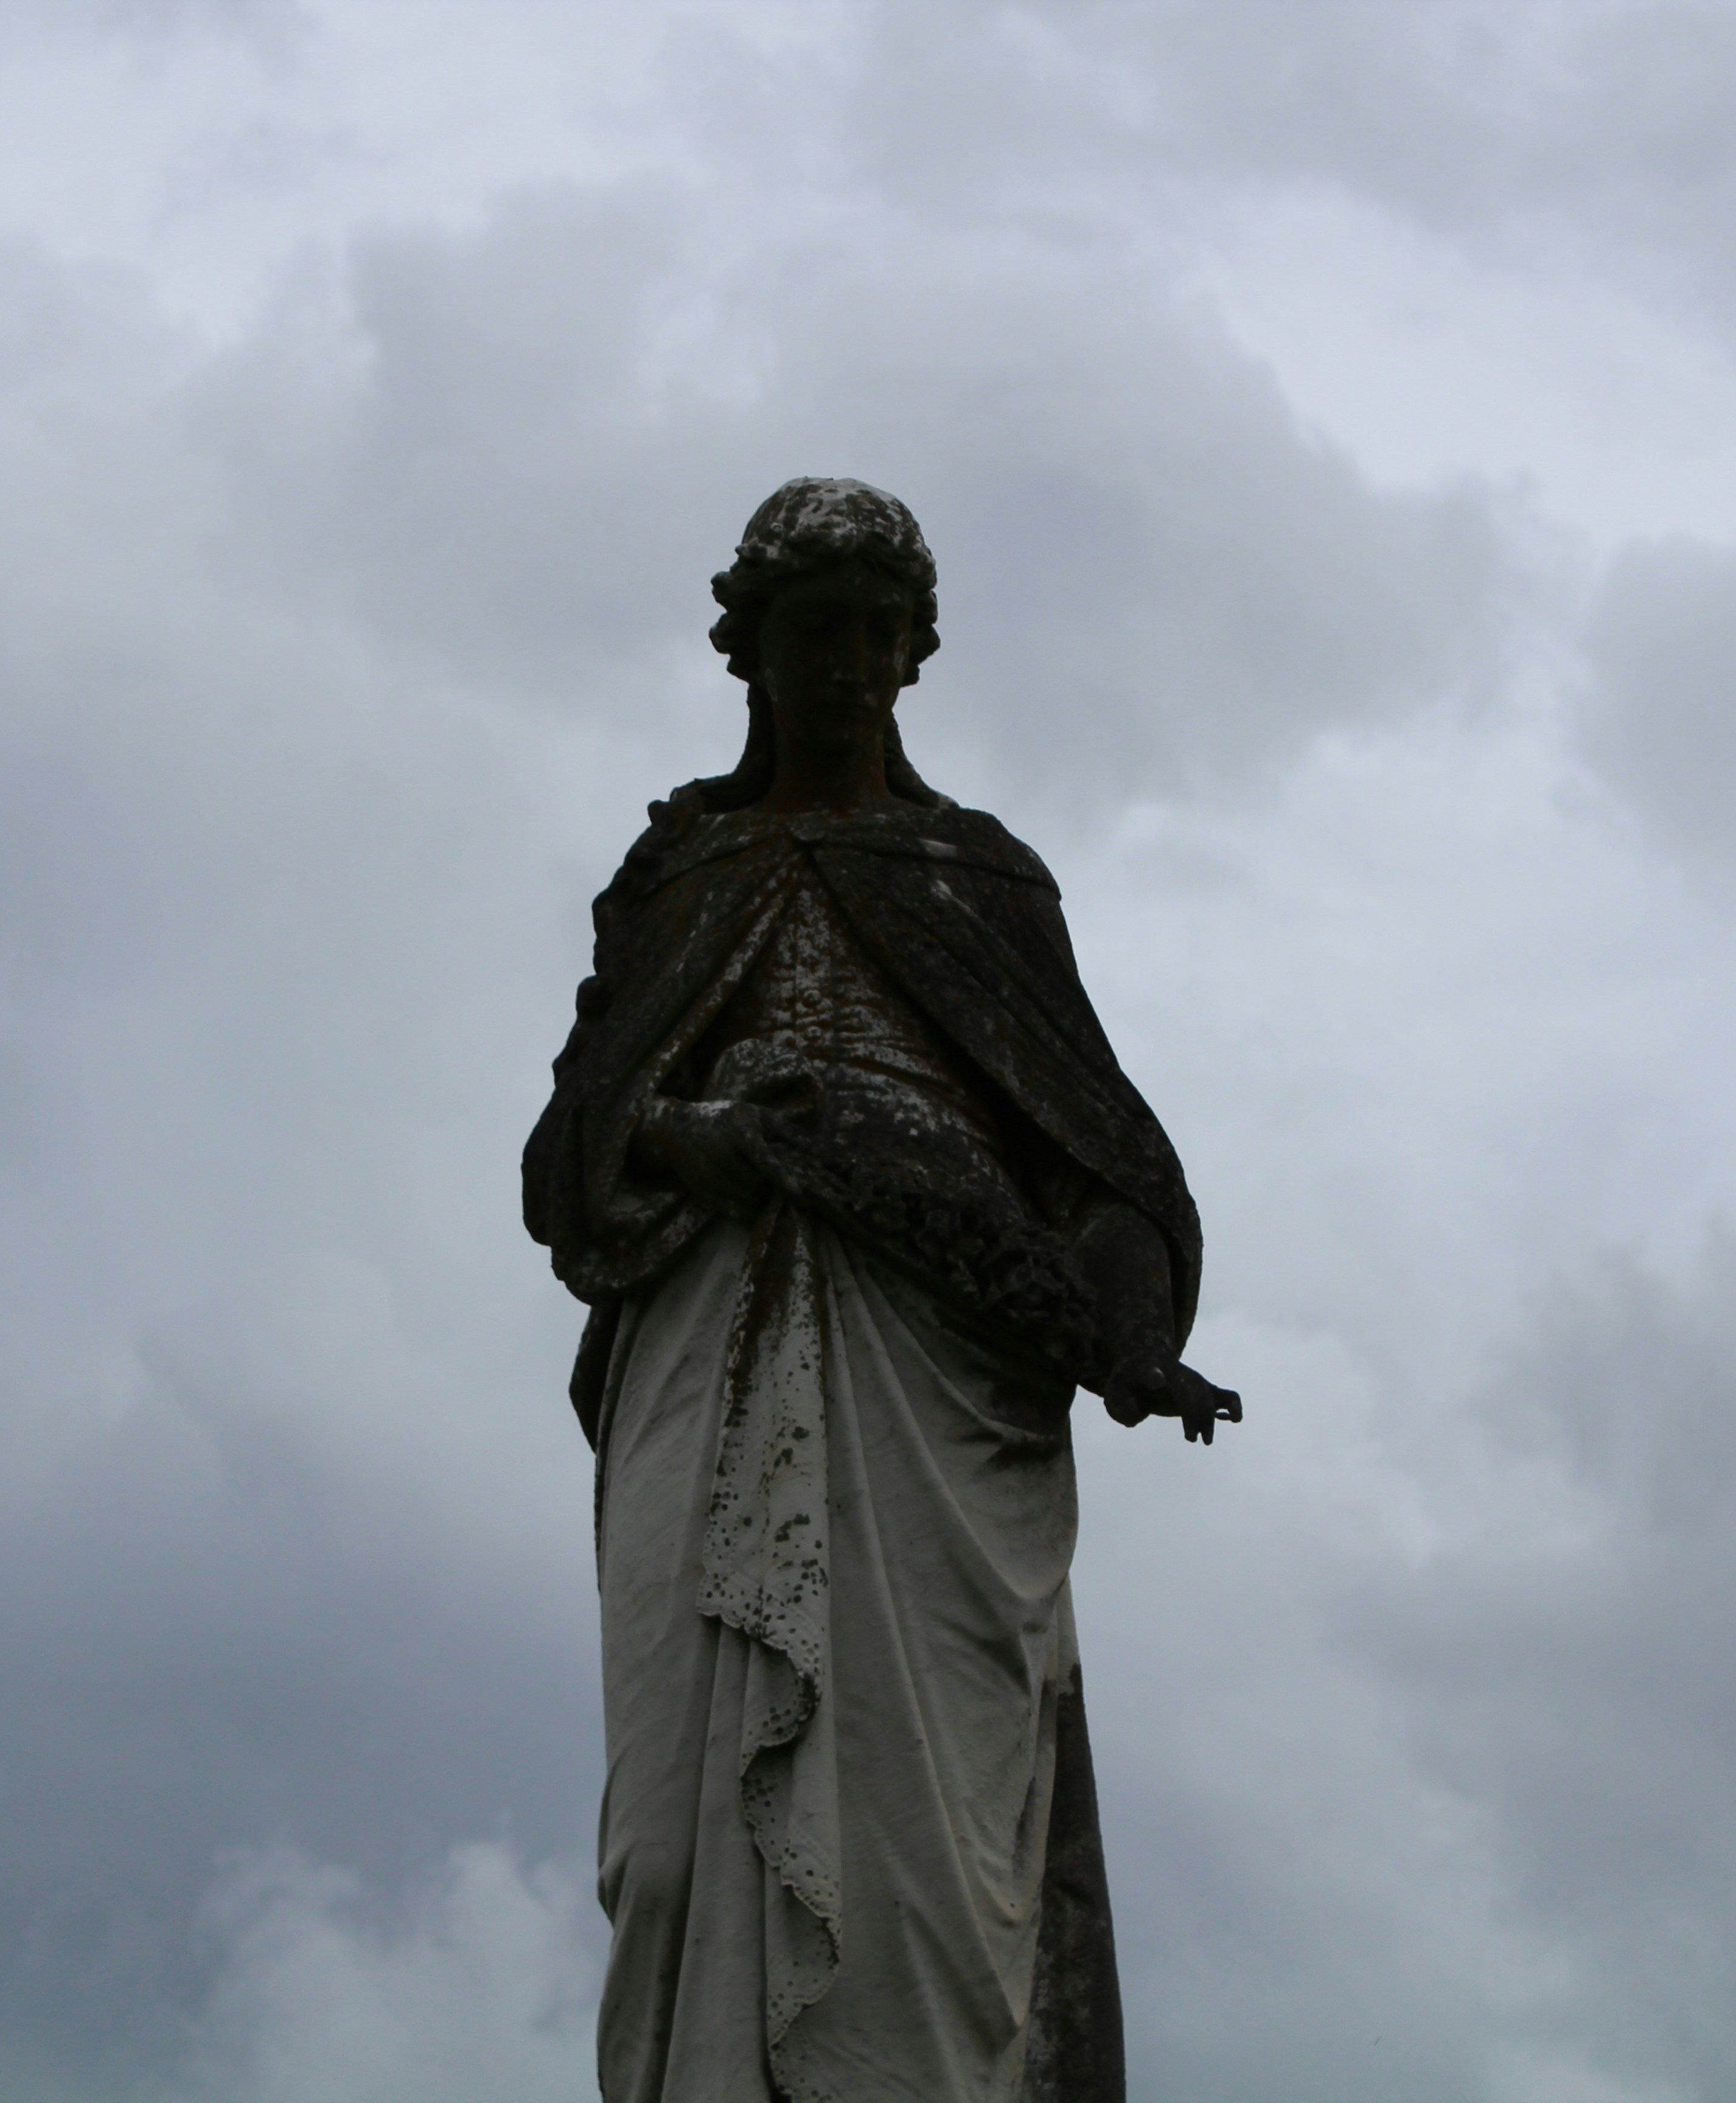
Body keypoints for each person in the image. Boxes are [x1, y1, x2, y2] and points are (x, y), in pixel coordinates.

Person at [524, 478, 1238, 2103]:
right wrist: (698, 1141)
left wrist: (1125, 1326)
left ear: (917, 654)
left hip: (938, 1374)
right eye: (816, 631)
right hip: (711, 1332)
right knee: (670, 1844)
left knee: (923, 1856)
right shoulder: (675, 877)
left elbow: (1106, 1167)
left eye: (878, 633)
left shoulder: (977, 881)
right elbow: (567, 1154)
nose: (850, 665)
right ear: (748, 648)